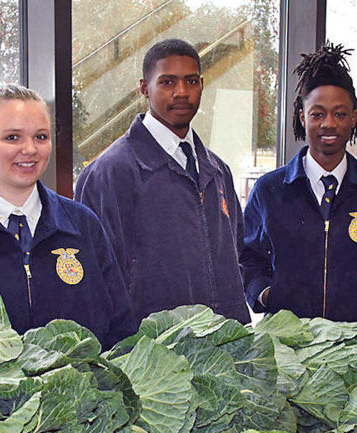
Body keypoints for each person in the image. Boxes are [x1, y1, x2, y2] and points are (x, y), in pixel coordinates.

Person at [0, 83, 135, 348]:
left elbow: (121, 328)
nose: (30, 149)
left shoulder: (84, 226)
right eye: (13, 137)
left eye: (41, 137)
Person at [74, 39, 249, 323]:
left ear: (202, 85)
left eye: (191, 81)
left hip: (224, 347)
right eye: (167, 82)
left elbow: (236, 255)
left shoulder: (218, 170)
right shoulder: (109, 173)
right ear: (144, 88)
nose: (182, 92)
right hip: (148, 354)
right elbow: (97, 281)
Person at [241, 43, 357, 320]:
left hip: (356, 346)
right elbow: (247, 257)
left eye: (340, 114)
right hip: (286, 344)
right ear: (303, 117)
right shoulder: (269, 190)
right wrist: (265, 294)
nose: (329, 124)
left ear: (354, 118)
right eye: (318, 114)